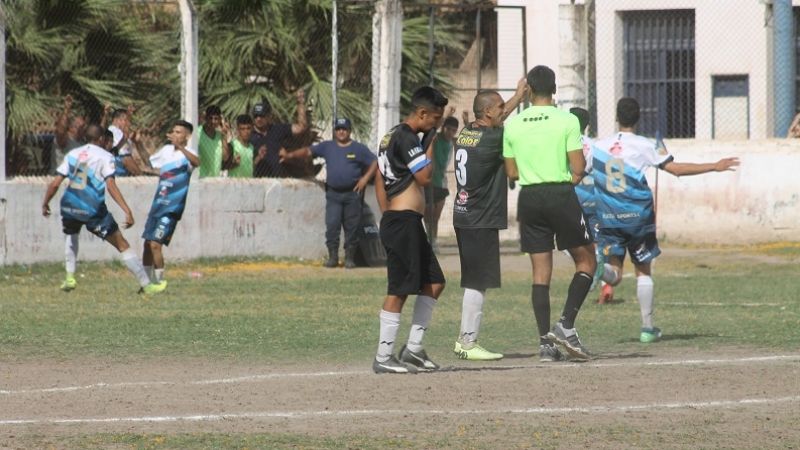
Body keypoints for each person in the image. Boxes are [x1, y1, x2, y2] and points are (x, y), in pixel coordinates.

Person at [591, 97, 740, 343]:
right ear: (638, 118)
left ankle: (601, 270)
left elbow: (581, 171)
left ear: (617, 117)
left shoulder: (600, 145)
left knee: (615, 274)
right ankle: (647, 328)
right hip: (637, 217)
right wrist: (715, 166)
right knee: (643, 270)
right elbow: (676, 169)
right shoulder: (644, 145)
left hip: (608, 216)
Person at [503, 65, 597, 362]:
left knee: (540, 272)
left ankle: (546, 344)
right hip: (559, 194)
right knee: (587, 260)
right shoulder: (567, 120)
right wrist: (564, 181)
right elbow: (579, 168)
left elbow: (512, 172)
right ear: (554, 89)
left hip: (529, 198)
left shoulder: (513, 125)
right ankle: (566, 324)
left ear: (527, 90)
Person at [372, 86, 448, 374]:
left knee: (434, 282)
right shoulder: (405, 137)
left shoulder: (394, 135)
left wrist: (387, 213)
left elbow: (380, 177)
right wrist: (432, 140)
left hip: (405, 222)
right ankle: (383, 357)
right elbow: (425, 176)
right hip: (402, 222)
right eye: (435, 119)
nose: (437, 123)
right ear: (422, 113)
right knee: (400, 290)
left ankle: (413, 350)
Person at [452, 79, 528, 361]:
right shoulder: (493, 138)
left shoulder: (466, 133)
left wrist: (516, 98)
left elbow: (501, 117)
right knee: (477, 282)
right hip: (479, 218)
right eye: (498, 107)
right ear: (486, 112)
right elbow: (506, 124)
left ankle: (465, 339)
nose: (503, 110)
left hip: (463, 215)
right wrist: (520, 96)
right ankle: (467, 342)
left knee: (475, 280)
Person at [41, 124, 166, 295]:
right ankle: (147, 285)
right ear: (101, 139)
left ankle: (70, 276)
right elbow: (111, 185)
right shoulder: (105, 156)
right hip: (92, 209)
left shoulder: (73, 154)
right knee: (122, 245)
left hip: (70, 205)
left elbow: (55, 183)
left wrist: (46, 202)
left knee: (71, 236)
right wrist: (126, 209)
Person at [280, 117, 378, 268]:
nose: (341, 132)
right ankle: (333, 257)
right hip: (334, 194)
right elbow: (307, 151)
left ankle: (349, 258)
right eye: (338, 129)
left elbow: (374, 162)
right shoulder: (327, 147)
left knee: (352, 227)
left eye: (344, 129)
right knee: (332, 225)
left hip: (353, 194)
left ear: (349, 131)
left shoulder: (359, 148)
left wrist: (365, 179)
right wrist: (289, 156)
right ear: (334, 131)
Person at [139, 120, 200, 290]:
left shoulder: (188, 154)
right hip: (158, 204)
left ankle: (160, 282)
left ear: (187, 136)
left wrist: (180, 147)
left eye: (179, 132)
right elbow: (150, 162)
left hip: (172, 208)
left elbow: (197, 163)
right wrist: (137, 143)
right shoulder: (166, 151)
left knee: (155, 244)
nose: (174, 134)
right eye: (173, 131)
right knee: (146, 244)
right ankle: (147, 282)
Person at [570, 107, 615, 304]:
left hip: (572, 198)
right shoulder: (594, 146)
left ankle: (591, 273)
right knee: (597, 243)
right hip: (594, 200)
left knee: (571, 244)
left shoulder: (564, 141)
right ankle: (604, 279)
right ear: (587, 126)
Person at [250, 90, 308, 178]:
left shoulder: (277, 129)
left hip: (279, 182)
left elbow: (301, 127)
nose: (258, 119)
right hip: (258, 182)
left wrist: (300, 103)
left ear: (269, 116)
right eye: (256, 116)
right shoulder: (249, 135)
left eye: (262, 115)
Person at [423, 109, 458, 251]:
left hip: (441, 183)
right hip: (429, 182)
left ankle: (434, 241)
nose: (451, 133)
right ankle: (428, 239)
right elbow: (433, 128)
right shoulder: (436, 138)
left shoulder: (452, 143)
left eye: (454, 131)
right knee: (428, 215)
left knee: (435, 217)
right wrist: (447, 116)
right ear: (444, 128)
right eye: (448, 129)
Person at [51, 95, 87, 175]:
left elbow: (97, 134)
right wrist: (67, 109)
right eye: (81, 126)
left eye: (84, 126)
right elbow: (60, 130)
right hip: (60, 177)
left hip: (77, 179)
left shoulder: (82, 142)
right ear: (71, 127)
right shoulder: (64, 139)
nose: (84, 128)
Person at [107, 108, 144, 176]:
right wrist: (140, 175)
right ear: (117, 120)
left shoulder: (119, 132)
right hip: (118, 168)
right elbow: (125, 157)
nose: (128, 123)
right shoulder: (113, 130)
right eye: (125, 120)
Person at [197, 105, 230, 178]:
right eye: (210, 118)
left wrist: (224, 136)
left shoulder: (220, 136)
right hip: (200, 178)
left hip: (215, 179)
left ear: (220, 120)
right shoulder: (197, 133)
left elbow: (225, 157)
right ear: (205, 118)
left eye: (216, 119)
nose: (213, 121)